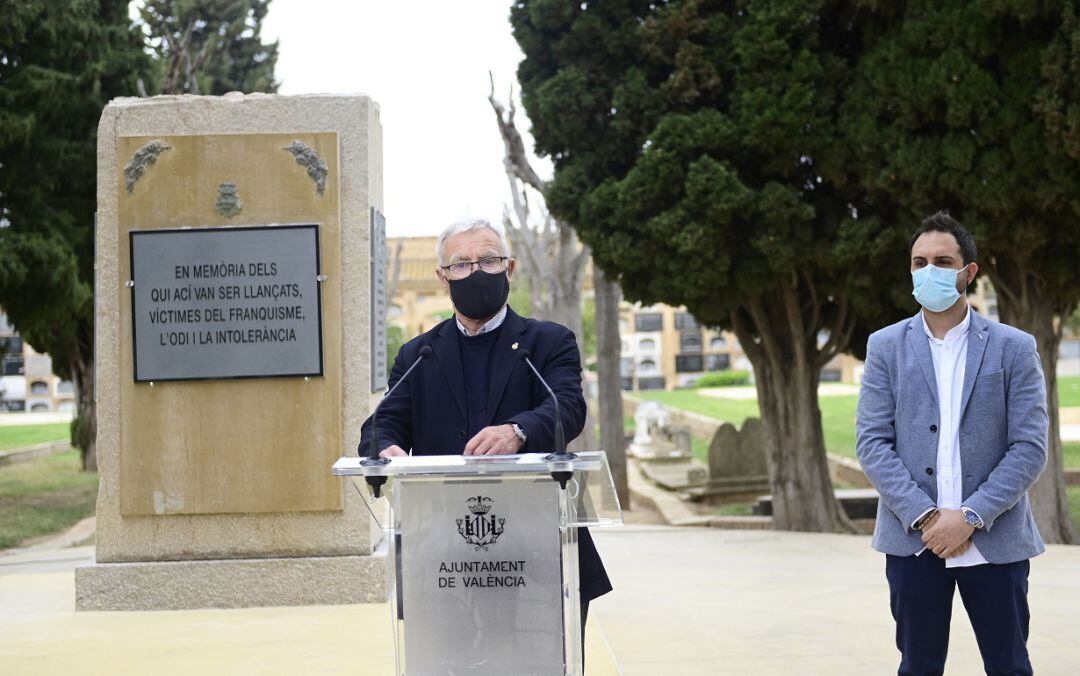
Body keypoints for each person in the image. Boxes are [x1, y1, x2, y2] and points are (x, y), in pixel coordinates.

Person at [357, 216, 612, 625]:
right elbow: (384, 422)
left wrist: (518, 430)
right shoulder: (418, 355)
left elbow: (567, 407)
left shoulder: (549, 341)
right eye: (461, 264)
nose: (476, 272)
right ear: (443, 278)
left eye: (489, 260)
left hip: (540, 549)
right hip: (443, 559)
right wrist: (381, 446)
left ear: (509, 268)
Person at [856, 211, 1048, 675]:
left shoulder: (1013, 347)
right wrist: (926, 517)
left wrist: (971, 516)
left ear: (968, 271)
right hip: (913, 541)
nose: (928, 270)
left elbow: (1029, 446)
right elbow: (872, 442)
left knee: (1010, 667)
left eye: (942, 260)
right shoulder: (885, 346)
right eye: (919, 262)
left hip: (995, 540)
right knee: (918, 668)